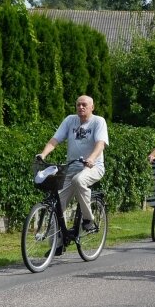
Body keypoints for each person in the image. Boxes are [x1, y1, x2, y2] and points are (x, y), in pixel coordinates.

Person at [37, 95, 108, 234]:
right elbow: (55, 140)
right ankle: (56, 244)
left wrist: (92, 158)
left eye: (84, 105)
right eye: (78, 105)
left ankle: (88, 219)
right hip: (71, 168)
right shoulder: (70, 120)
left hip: (93, 167)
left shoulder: (98, 121)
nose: (80, 107)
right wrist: (43, 154)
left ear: (92, 107)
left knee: (79, 180)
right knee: (57, 205)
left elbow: (101, 144)